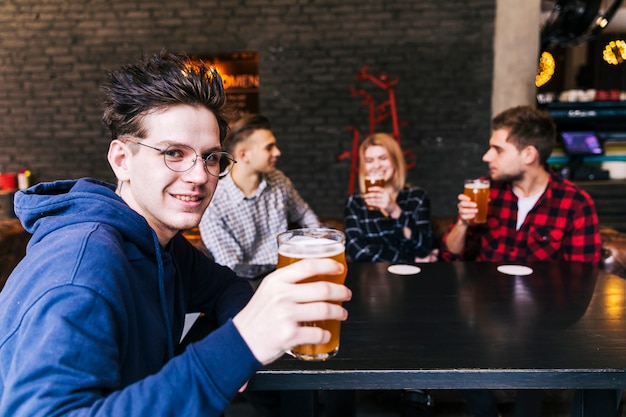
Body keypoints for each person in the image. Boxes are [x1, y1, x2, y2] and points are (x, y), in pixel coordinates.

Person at [0, 51, 351, 417]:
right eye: (173, 152)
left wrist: (241, 324)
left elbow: (223, 287)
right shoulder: (82, 270)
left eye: (211, 157)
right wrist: (240, 344)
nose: (199, 176)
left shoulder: (156, 241)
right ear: (122, 160)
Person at [440, 105, 613, 417]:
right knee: (440, 340)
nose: (486, 157)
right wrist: (464, 224)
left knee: (541, 354)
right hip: (482, 315)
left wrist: (531, 319)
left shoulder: (575, 204)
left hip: (542, 323)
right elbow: (450, 256)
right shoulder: (485, 189)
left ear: (529, 154)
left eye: (496, 149)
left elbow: (583, 281)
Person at [199, 113, 320, 269]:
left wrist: (318, 242)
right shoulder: (213, 203)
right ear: (244, 155)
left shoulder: (278, 180)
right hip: (250, 284)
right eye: (269, 148)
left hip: (289, 270)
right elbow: (233, 267)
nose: (277, 152)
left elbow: (303, 214)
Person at [344, 132, 435, 263]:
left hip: (411, 277)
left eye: (383, 158)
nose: (376, 166)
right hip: (372, 277)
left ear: (395, 161)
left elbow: (422, 248)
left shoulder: (417, 197)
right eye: (369, 161)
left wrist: (394, 211)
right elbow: (359, 252)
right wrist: (411, 259)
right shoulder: (355, 203)